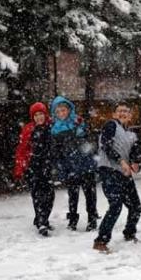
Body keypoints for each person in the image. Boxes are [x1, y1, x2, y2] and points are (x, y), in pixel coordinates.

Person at [93, 101, 141, 253]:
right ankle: (100, 241)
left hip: (124, 173)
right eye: (120, 111)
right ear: (114, 114)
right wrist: (121, 161)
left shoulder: (133, 135)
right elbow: (106, 145)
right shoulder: (111, 125)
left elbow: (135, 154)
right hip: (109, 170)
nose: (123, 113)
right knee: (115, 205)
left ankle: (129, 233)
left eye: (126, 111)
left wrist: (135, 163)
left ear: (130, 116)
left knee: (136, 206)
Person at [50, 96, 99, 231]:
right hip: (69, 166)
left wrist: (89, 152)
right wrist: (60, 167)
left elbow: (90, 142)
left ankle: (92, 218)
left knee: (90, 193)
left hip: (85, 164)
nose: (61, 113)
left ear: (69, 110)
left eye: (63, 110)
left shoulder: (79, 123)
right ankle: (72, 219)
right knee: (73, 195)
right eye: (58, 111)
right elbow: (56, 152)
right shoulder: (54, 130)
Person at [14, 102, 54, 236]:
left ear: (45, 114)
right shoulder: (28, 129)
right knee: (37, 195)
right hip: (33, 167)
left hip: (48, 166)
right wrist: (20, 168)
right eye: (35, 115)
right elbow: (21, 150)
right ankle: (42, 222)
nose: (38, 117)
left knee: (49, 196)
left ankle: (42, 219)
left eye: (40, 114)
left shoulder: (52, 127)